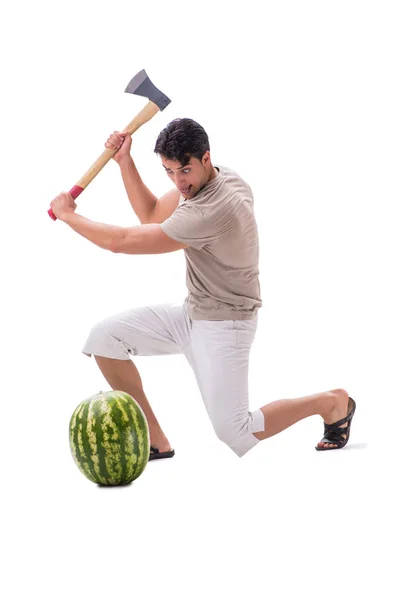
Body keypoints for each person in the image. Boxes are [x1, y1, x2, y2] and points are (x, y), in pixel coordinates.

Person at [50, 118, 356, 459]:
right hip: (192, 312)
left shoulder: (212, 210)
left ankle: (332, 403)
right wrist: (125, 161)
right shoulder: (219, 178)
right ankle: (155, 440)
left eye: (184, 170)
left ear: (205, 158)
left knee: (235, 431)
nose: (178, 182)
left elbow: (122, 242)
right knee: (104, 339)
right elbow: (152, 215)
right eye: (168, 171)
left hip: (227, 325)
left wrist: (68, 216)